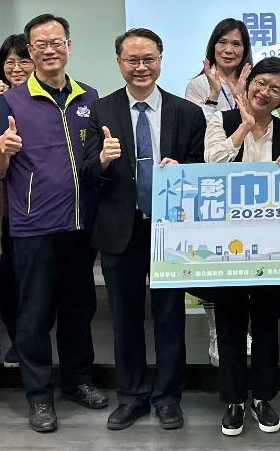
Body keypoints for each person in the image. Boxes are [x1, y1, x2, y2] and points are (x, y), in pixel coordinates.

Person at [80, 28, 206, 432]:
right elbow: (84, 172)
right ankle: (131, 396)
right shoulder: (101, 110)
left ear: (161, 59)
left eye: (148, 58)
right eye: (132, 60)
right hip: (121, 228)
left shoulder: (187, 113)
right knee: (126, 318)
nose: (140, 67)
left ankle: (168, 398)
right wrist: (101, 160)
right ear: (119, 63)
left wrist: (183, 172)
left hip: (170, 230)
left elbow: (204, 173)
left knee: (170, 317)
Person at [0, 15, 106, 433]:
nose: (49, 49)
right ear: (31, 51)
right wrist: (2, 148)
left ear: (69, 46)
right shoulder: (12, 102)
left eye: (57, 41)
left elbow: (93, 163)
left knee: (79, 309)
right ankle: (39, 395)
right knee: (33, 315)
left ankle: (77, 380)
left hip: (80, 226)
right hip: (33, 226)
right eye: (40, 44)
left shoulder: (89, 97)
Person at [203, 57, 280, 436]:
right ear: (247, 84)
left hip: (272, 246)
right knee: (229, 322)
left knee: (266, 323)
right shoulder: (221, 120)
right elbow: (212, 163)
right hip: (226, 244)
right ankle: (233, 399)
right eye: (260, 83)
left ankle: (262, 397)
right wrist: (244, 126)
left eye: (274, 89)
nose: (265, 92)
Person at [183, 18, 254, 367]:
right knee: (218, 267)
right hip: (213, 183)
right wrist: (214, 94)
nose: (229, 49)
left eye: (237, 43)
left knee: (249, 260)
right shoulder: (197, 85)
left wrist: (244, 94)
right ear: (213, 47)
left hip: (251, 184)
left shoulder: (253, 80)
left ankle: (245, 329)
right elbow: (197, 134)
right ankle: (217, 332)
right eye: (223, 42)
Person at [0, 33, 34, 368]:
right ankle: (18, 342)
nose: (16, 68)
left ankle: (31, 342)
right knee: (7, 279)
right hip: (1, 205)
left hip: (38, 208)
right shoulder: (0, 102)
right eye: (10, 61)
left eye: (23, 60)